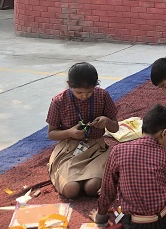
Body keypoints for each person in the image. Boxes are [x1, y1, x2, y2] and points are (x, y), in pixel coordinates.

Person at [46, 62, 119, 198]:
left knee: (92, 187)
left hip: (97, 149)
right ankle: (60, 170)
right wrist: (69, 133)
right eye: (79, 92)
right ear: (69, 85)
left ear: (96, 85)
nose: (84, 96)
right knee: (71, 190)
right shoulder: (59, 101)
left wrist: (107, 122)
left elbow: (115, 128)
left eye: (89, 91)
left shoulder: (102, 95)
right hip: (69, 149)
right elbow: (51, 133)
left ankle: (85, 177)